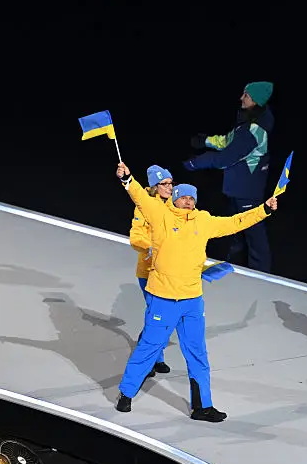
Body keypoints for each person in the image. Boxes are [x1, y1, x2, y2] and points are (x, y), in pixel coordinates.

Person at [114, 162, 277, 421]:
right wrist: (128, 179)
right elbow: (141, 198)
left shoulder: (203, 220)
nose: (189, 201)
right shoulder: (161, 215)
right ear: (175, 199)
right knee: (149, 347)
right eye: (184, 197)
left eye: (193, 198)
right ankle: (126, 393)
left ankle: (202, 406)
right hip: (163, 298)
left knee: (197, 352)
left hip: (192, 300)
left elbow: (235, 222)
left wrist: (264, 210)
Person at [183, 81, 275, 272]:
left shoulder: (253, 130)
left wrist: (195, 163)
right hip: (238, 187)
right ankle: (236, 266)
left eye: (246, 96)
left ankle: (263, 276)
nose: (241, 98)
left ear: (256, 101)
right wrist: (206, 141)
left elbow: (225, 159)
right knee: (236, 228)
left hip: (247, 190)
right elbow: (229, 140)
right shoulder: (249, 120)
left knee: (254, 233)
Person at [129, 165, 177, 376]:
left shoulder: (176, 206)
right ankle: (147, 360)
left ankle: (157, 358)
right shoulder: (144, 207)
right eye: (164, 184)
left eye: (170, 183)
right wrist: (150, 247)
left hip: (169, 272)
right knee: (157, 317)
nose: (169, 187)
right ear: (154, 187)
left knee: (162, 317)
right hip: (148, 271)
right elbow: (135, 236)